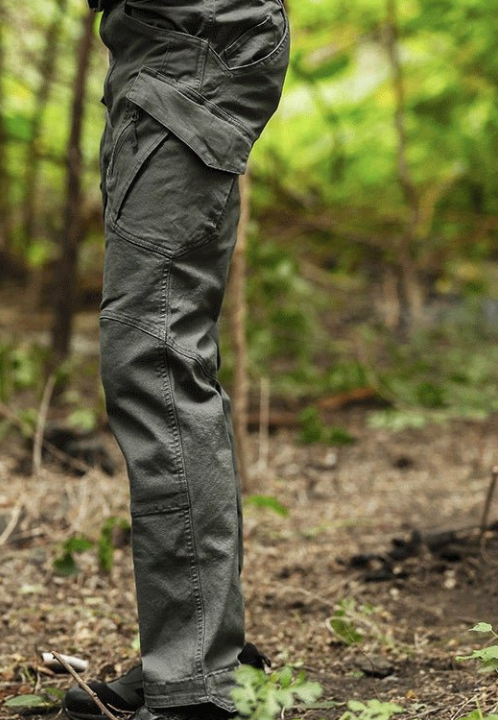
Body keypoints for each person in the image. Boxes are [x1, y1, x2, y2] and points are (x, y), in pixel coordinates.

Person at [63, 1, 290, 719]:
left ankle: (196, 674)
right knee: (160, 352)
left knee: (154, 356)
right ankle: (195, 653)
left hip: (191, 44)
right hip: (169, 49)